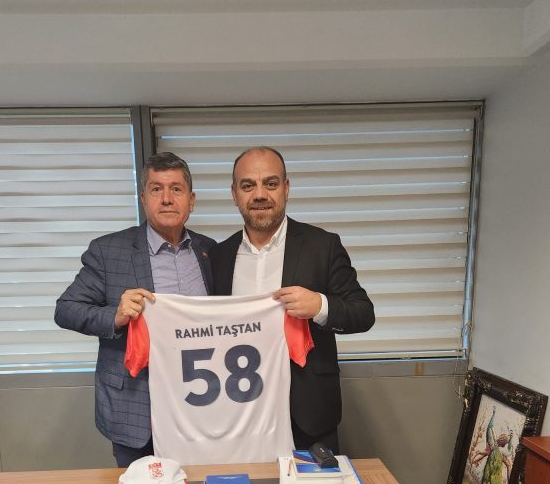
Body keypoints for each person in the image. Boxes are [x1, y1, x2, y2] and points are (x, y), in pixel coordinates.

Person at [210, 147, 374, 453]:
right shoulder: (218, 255)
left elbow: (363, 313)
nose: (260, 194)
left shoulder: (322, 246)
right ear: (234, 194)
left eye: (270, 183)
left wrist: (320, 306)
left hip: (309, 414)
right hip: (238, 412)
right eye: (248, 185)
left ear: (286, 188)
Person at [55, 152, 215, 466]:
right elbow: (66, 309)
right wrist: (115, 316)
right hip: (137, 409)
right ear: (143, 199)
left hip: (201, 405)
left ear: (192, 200)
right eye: (156, 189)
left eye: (176, 189)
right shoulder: (108, 251)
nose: (167, 198)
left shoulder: (210, 251)